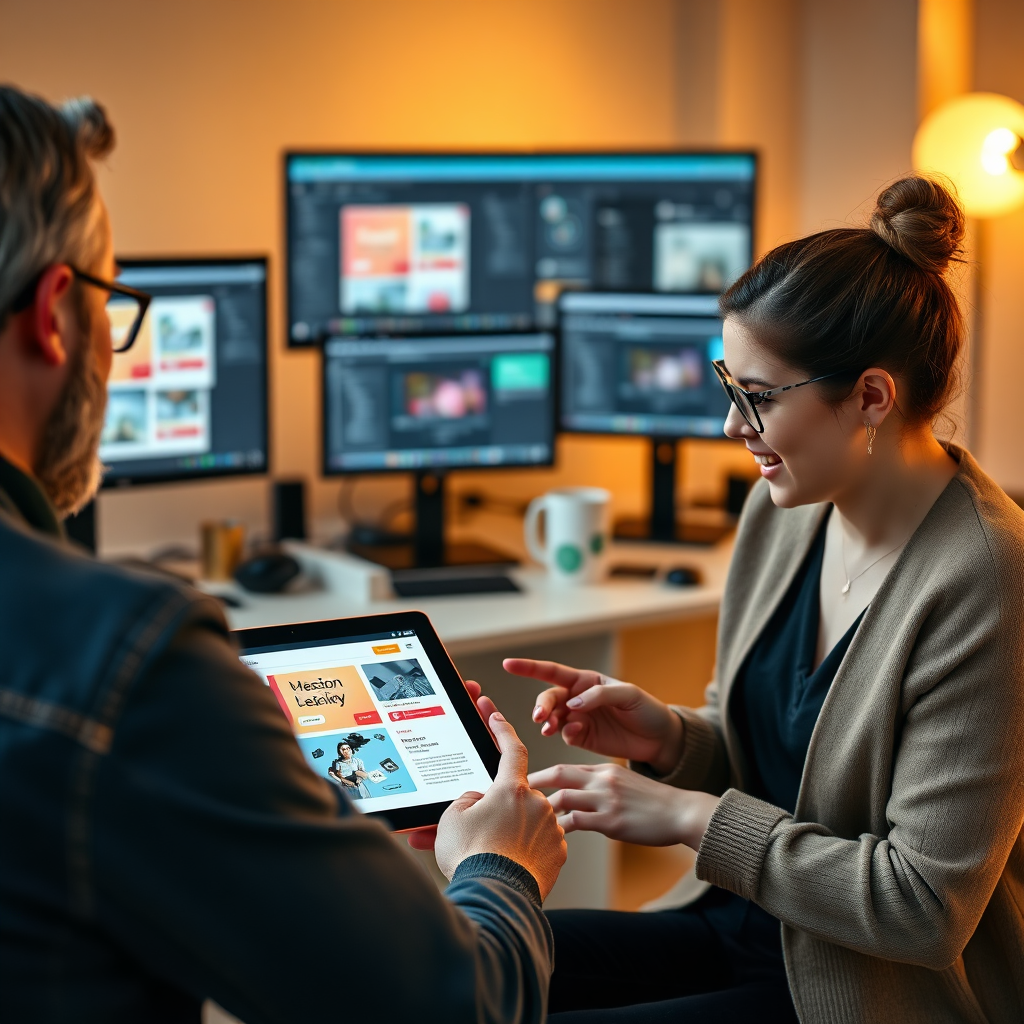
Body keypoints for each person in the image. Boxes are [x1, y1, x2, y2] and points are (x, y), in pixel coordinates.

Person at [0, 84, 566, 1023]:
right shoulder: (125, 658)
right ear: (54, 313)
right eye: (112, 304)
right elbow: (455, 1009)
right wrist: (501, 866)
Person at [507, 175, 1024, 1022]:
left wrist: (687, 816)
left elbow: (923, 908)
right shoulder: (782, 511)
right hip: (744, 925)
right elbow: (778, 767)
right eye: (727, 384)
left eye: (757, 397)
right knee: (452, 973)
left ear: (869, 396)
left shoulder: (988, 577)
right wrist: (672, 738)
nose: (730, 428)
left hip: (867, 990)